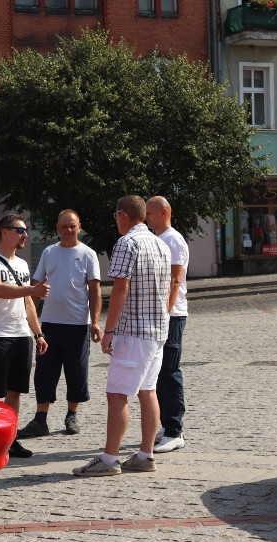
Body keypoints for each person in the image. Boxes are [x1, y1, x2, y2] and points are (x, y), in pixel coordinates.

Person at [73, 195, 171, 477]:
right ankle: (145, 454)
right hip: (156, 331)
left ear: (122, 215)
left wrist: (110, 330)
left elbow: (120, 289)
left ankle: (109, 458)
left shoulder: (127, 243)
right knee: (147, 391)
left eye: (116, 215)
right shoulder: (160, 243)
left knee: (117, 394)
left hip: (133, 331)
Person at [17, 209, 102, 439]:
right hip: (50, 324)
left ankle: (71, 415)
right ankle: (40, 419)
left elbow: (95, 290)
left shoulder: (87, 254)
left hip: (77, 325)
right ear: (57, 228)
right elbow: (36, 285)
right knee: (44, 372)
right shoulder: (49, 252)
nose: (68, 230)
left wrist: (95, 322)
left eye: (72, 226)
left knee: (77, 373)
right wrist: (29, 315)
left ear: (79, 227)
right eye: (64, 226)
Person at [0, 213, 50, 458]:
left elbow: (28, 302)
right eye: (20, 230)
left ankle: (10, 439)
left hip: (22, 335)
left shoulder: (21, 264)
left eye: (26, 230)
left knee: (15, 391)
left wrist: (38, 333)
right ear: (5, 232)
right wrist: (32, 288)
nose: (25, 235)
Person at [145, 195, 190, 453]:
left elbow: (174, 281)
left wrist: (165, 311)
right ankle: (166, 424)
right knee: (160, 371)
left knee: (170, 370)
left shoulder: (172, 239)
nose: (147, 218)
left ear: (164, 212)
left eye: (150, 213)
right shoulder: (161, 239)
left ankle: (175, 430)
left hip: (171, 314)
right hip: (164, 312)